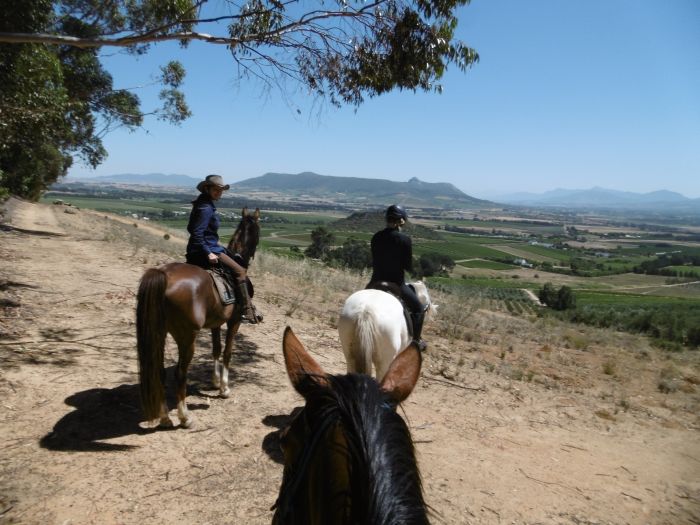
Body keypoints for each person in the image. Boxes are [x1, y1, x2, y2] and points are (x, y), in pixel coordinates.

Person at [186, 174, 259, 323]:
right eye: (216, 190)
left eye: (221, 190)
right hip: (206, 251)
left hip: (197, 249)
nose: (219, 193)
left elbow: (190, 228)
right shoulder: (206, 208)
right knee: (240, 271)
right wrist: (208, 252)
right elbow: (197, 232)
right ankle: (246, 310)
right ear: (207, 189)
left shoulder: (201, 204)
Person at [369, 204, 427, 351]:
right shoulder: (404, 240)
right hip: (396, 284)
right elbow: (407, 266)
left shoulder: (376, 237)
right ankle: (415, 342)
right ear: (401, 221)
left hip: (374, 282)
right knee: (419, 309)